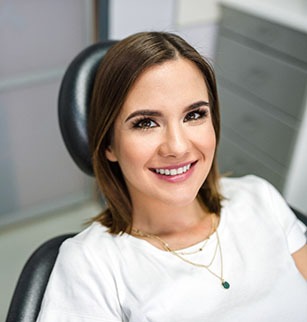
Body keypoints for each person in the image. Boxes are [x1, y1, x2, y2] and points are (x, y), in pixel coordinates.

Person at [37, 31, 307, 322]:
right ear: (108, 144)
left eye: (194, 115)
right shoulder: (89, 264)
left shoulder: (260, 198)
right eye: (146, 123)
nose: (178, 147)